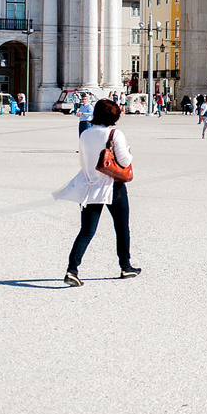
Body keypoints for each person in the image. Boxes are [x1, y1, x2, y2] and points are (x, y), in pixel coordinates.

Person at [53, 98, 140, 286]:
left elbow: (83, 162)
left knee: (86, 231)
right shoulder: (115, 134)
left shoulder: (85, 134)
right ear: (114, 115)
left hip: (91, 185)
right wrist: (128, 147)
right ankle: (125, 267)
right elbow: (124, 161)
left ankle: (72, 270)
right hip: (113, 185)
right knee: (121, 227)